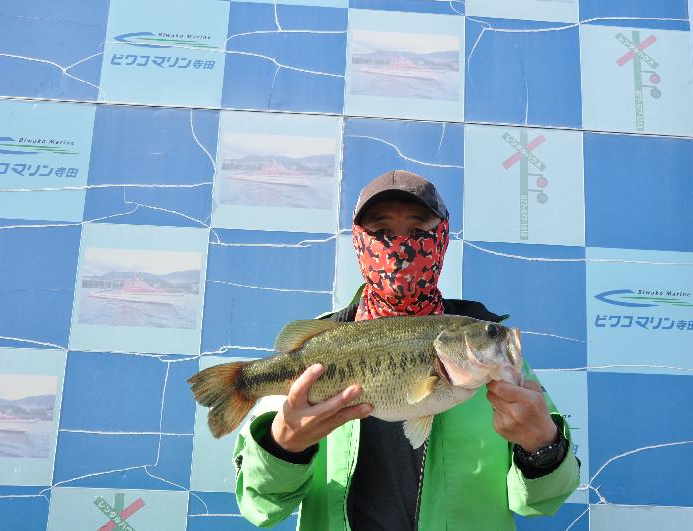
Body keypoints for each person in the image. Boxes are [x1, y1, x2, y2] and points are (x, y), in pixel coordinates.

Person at [232, 169, 581, 530]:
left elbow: (544, 500)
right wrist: (283, 446)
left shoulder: (496, 359)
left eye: (418, 230)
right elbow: (260, 503)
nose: (400, 245)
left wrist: (542, 447)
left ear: (442, 238)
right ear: (359, 240)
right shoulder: (321, 348)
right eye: (382, 231)